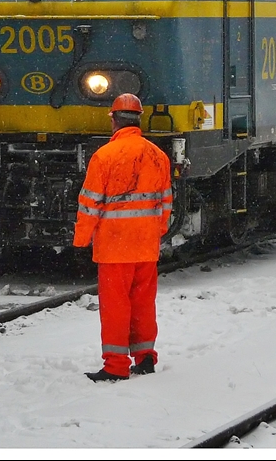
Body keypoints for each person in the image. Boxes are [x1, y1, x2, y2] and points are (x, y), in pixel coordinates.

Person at [73, 93, 172, 382]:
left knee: (116, 307)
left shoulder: (104, 156)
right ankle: (145, 359)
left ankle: (115, 366)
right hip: (146, 246)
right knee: (143, 303)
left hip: (115, 248)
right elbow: (166, 202)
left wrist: (81, 240)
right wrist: (156, 231)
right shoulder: (158, 155)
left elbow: (90, 203)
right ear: (138, 119)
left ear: (114, 120)